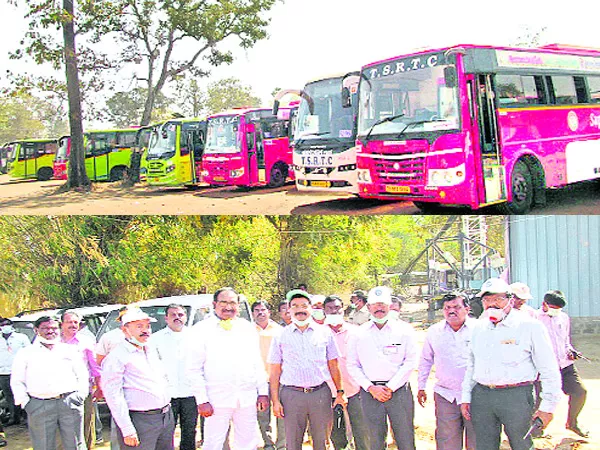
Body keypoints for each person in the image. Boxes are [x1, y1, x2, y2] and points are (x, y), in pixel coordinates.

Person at [460, 278, 562, 450]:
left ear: (510, 300)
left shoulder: (530, 327)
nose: (492, 304)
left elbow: (549, 369)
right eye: (487, 300)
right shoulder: (479, 328)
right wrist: (466, 397)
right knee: (484, 445)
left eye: (498, 299)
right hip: (483, 396)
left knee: (521, 444)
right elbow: (472, 365)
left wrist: (548, 407)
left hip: (516, 397)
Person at [189, 287, 269, 450]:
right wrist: (202, 400)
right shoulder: (201, 330)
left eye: (232, 303)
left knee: (248, 442)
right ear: (214, 304)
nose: (228, 307)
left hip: (246, 397)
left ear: (238, 305)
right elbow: (193, 369)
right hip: (216, 399)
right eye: (223, 302)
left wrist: (263, 393)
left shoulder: (247, 328)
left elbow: (256, 362)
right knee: (213, 443)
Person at [268, 289, 347, 450]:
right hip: (292, 395)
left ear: (311, 308)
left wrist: (339, 392)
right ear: (289, 310)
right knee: (293, 442)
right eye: (295, 306)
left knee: (322, 441)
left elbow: (333, 365)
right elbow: (275, 371)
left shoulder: (325, 333)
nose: (300, 309)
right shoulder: (280, 336)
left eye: (304, 305)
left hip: (320, 394)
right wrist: (275, 401)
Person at [347, 286, 418, 450]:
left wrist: (390, 387)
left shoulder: (404, 330)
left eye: (383, 304)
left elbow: (410, 361)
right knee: (374, 439)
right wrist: (370, 387)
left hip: (399, 391)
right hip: (370, 393)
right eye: (375, 304)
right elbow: (352, 364)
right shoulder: (358, 334)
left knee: (405, 438)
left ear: (389, 306)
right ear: (368, 307)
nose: (379, 308)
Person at [101, 307, 175, 450]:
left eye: (147, 326)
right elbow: (113, 395)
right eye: (139, 326)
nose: (145, 330)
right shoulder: (117, 357)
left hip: (165, 416)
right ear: (125, 330)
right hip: (140, 420)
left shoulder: (150, 349)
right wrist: (127, 428)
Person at [11, 316, 89, 450]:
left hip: (69, 402)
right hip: (39, 404)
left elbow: (82, 374)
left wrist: (80, 396)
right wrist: (26, 403)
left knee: (76, 444)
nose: (50, 331)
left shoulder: (69, 350)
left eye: (53, 328)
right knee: (44, 445)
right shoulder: (26, 353)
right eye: (45, 328)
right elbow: (17, 381)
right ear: (36, 330)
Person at [417, 292, 476, 450]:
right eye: (447, 308)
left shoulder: (479, 330)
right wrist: (421, 386)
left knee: (477, 440)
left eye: (456, 307)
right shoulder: (434, 331)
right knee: (447, 441)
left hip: (476, 395)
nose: (451, 311)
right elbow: (426, 360)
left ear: (467, 309)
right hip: (446, 395)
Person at [537, 290, 589, 438]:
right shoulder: (535, 319)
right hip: (545, 368)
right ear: (544, 304)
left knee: (580, 392)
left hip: (565, 365)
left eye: (558, 308)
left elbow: (565, 341)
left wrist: (571, 351)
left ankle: (572, 423)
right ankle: (536, 431)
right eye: (553, 307)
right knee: (540, 400)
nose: (556, 311)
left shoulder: (564, 318)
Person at [323, 295, 369, 450]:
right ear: (324, 311)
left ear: (343, 309)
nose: (334, 311)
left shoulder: (357, 332)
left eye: (337, 308)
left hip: (355, 390)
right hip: (329, 392)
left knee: (362, 431)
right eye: (329, 308)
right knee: (337, 433)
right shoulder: (318, 334)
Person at [150, 304, 198, 450]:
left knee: (189, 431)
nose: (177, 318)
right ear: (166, 318)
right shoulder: (155, 339)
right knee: (166, 432)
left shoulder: (195, 337)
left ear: (186, 317)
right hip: (167, 394)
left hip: (191, 393)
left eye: (180, 315)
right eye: (173, 315)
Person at [61, 310, 102, 450]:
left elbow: (95, 367)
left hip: (83, 390)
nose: (73, 325)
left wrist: (99, 386)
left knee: (86, 424)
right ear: (62, 324)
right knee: (63, 427)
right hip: (60, 392)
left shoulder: (86, 342)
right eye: (69, 322)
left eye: (75, 322)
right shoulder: (54, 342)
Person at [252, 300, 286, 450]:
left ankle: (282, 444)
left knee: (282, 412)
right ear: (253, 313)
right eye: (257, 310)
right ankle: (268, 443)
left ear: (269, 312)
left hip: (279, 378)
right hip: (258, 379)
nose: (260, 313)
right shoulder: (248, 331)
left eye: (263, 310)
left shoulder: (279, 330)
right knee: (262, 414)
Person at [0, 317, 30, 426]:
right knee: (9, 396)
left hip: (20, 371)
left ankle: (28, 418)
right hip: (3, 372)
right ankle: (14, 418)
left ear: (11, 325)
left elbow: (29, 353)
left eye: (7, 324)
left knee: (24, 394)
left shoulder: (21, 337)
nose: (5, 327)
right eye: (2, 325)